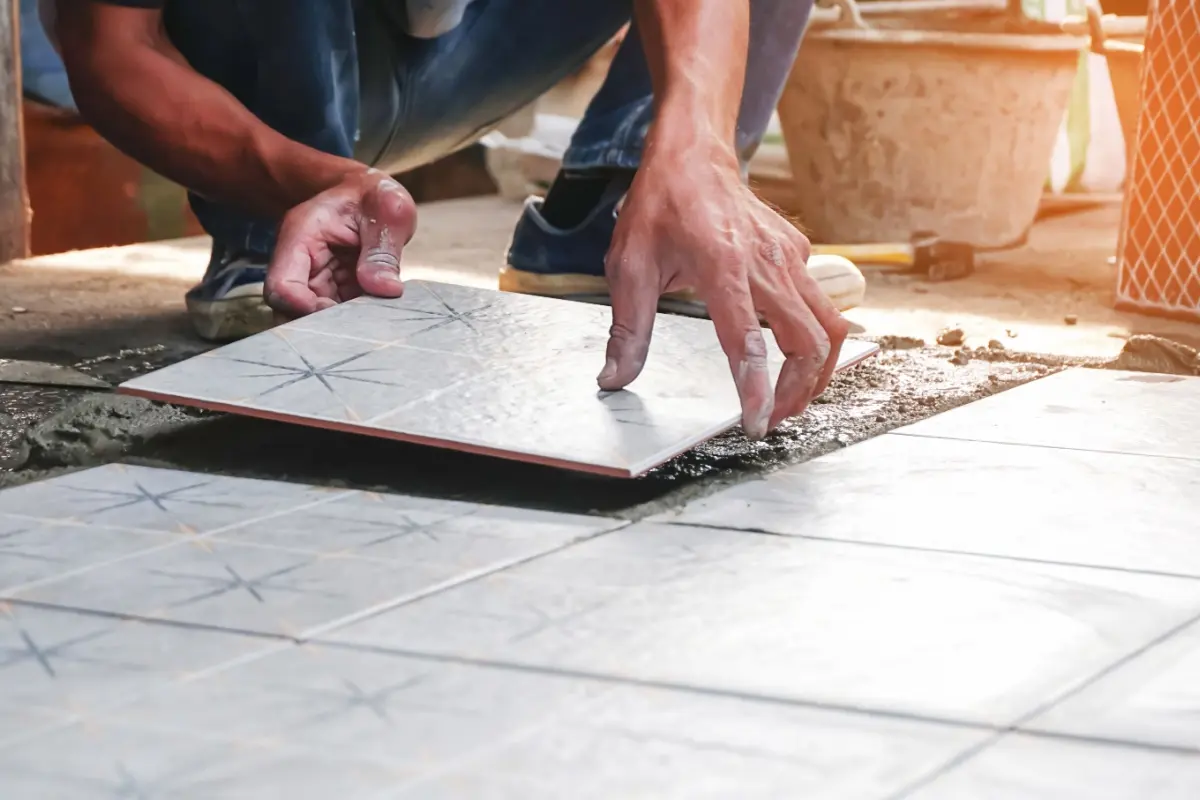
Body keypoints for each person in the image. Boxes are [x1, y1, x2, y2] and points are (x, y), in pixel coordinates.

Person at [47, 0, 852, 440]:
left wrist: (696, 150)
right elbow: (114, 47)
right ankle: (287, 238)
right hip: (270, 58)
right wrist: (309, 180)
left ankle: (625, 217)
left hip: (476, 48)